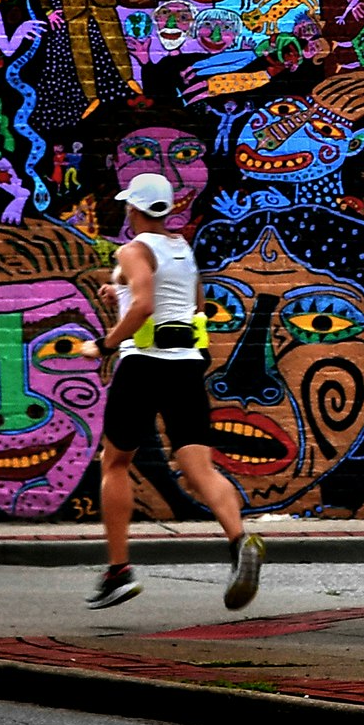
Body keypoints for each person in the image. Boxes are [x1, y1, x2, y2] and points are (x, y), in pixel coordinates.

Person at [89, 173, 264, 610]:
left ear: (134, 210)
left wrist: (107, 343)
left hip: (142, 365)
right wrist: (122, 292)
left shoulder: (132, 249)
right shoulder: (182, 249)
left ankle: (118, 572)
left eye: (128, 206)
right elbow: (193, 306)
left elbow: (147, 304)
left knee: (115, 462)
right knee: (197, 465)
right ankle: (240, 540)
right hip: (184, 367)